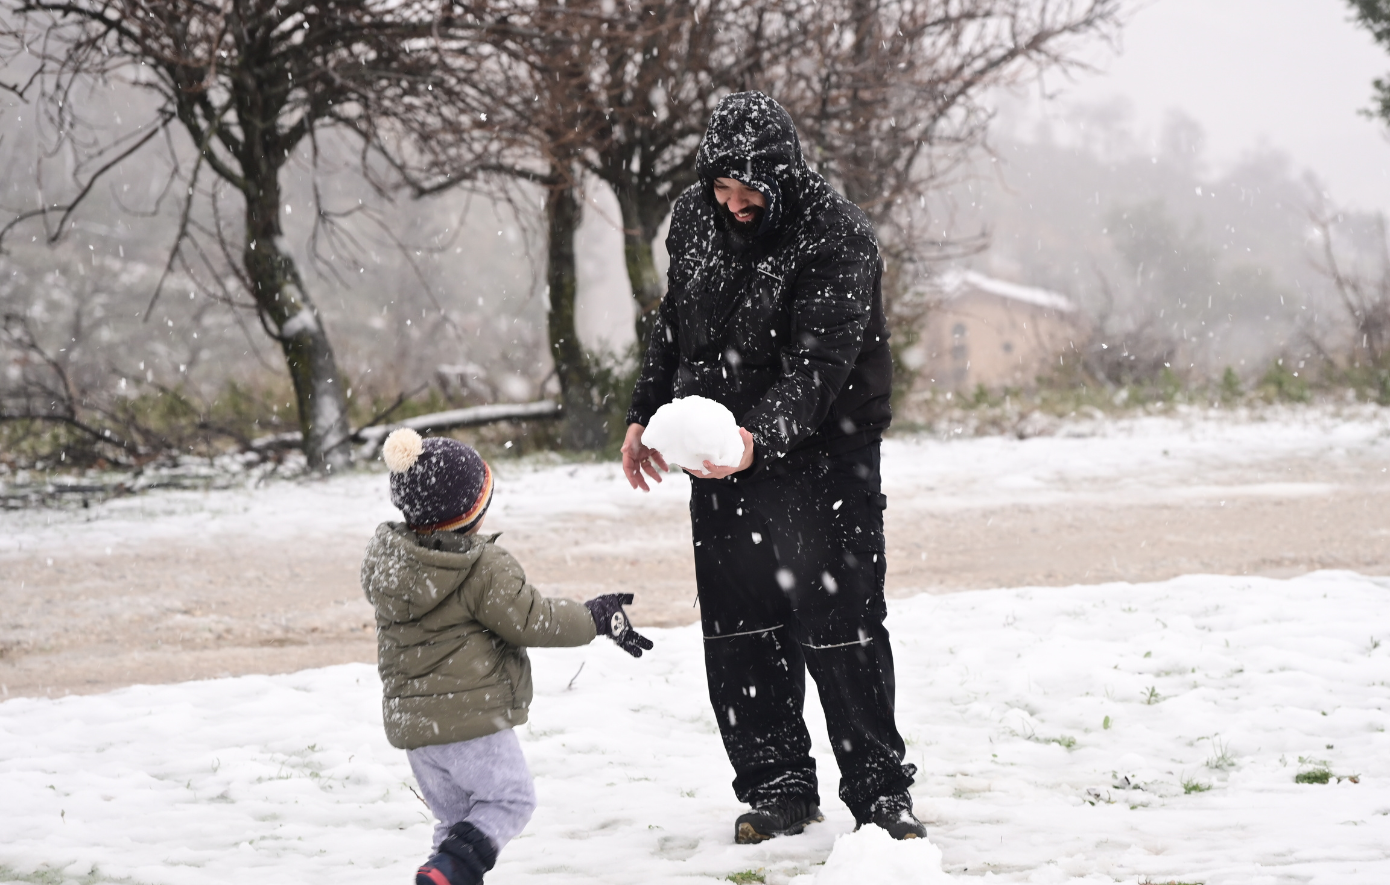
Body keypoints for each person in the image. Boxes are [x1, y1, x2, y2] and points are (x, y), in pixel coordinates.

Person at [621, 91, 925, 843]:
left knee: (839, 626)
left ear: (784, 176)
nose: (734, 203)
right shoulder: (693, 217)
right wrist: (644, 412)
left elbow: (821, 369)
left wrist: (755, 439)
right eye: (721, 187)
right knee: (741, 630)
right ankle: (779, 785)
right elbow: (675, 324)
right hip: (720, 453)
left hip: (824, 453)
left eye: (749, 190)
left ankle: (880, 794)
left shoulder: (838, 238)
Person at [362, 428, 652, 885]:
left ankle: (444, 876)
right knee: (509, 801)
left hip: (416, 729)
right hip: (469, 722)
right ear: (472, 513)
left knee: (456, 827)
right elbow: (535, 619)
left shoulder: (392, 564)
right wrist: (596, 618)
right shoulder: (481, 568)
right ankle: (449, 871)